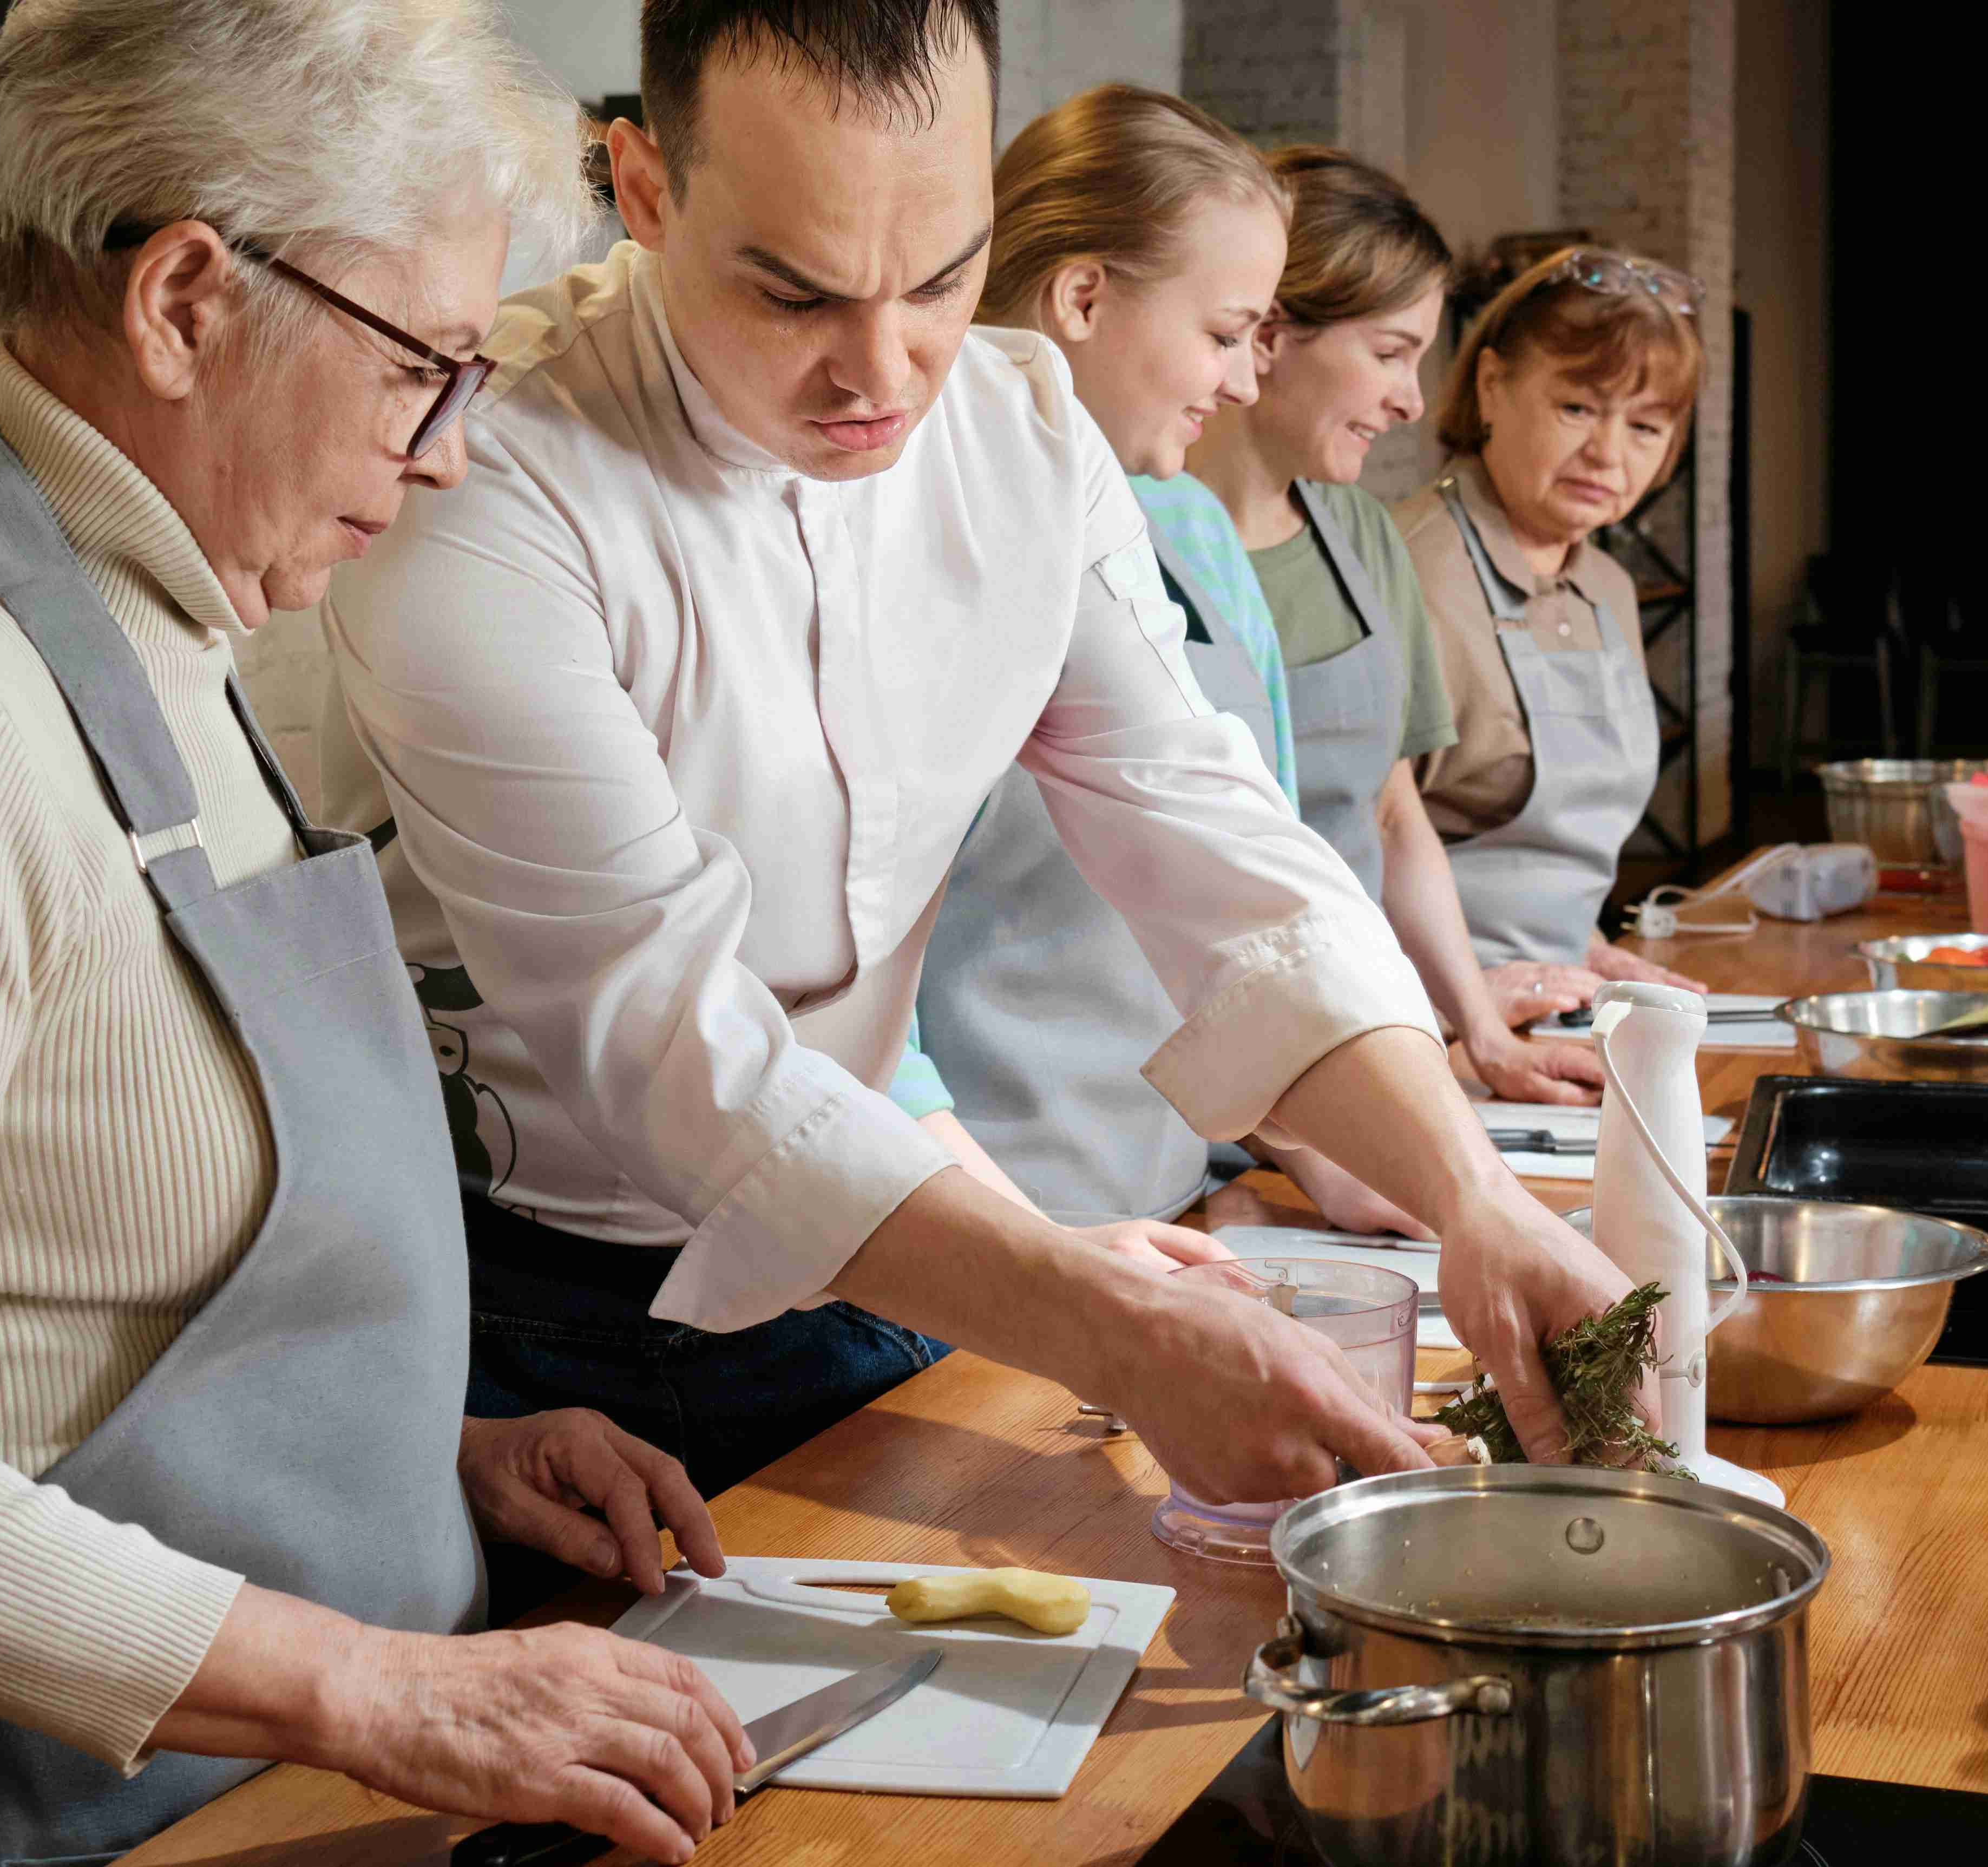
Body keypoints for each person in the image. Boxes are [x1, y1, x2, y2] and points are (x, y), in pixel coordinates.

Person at [317, 0, 1633, 1515]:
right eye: (792, 293)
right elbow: (668, 1037)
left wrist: (1465, 1193)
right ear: (645, 187)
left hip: (910, 1247)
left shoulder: (1020, 434)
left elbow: (1211, 837)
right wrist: (1108, 1327)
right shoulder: (488, 483)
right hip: (558, 1316)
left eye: (939, 278)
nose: (879, 371)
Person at [0, 5, 757, 1863]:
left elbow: (70, 1300)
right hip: (97, 1823)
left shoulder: (194, 618)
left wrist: (410, 1454)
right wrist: (371, 1684)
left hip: (313, 1780)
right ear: (185, 301)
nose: (443, 454)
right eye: (424, 363)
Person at [902, 83, 1403, 1234]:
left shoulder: (1190, 534)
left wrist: (1323, 1152)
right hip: (974, 1240)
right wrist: (1034, 1268)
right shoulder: (906, 542)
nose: (1241, 382)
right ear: (1083, 295)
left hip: (1170, 1209)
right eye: (1226, 333)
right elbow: (849, 1024)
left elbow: (1240, 893)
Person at [1183, 150, 1608, 1116]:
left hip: (1347, 1056)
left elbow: (1391, 812)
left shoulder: (1364, 539)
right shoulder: (1132, 542)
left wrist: (1483, 1034)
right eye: (1388, 353)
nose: (1414, 401)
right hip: (1185, 1076)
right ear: (1267, 335)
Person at [1395, 249, 1711, 991]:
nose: (1607, 454)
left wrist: (1583, 943)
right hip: (1413, 1013)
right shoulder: (1402, 571)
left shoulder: (1605, 586)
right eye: (1576, 408)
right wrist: (1468, 1004)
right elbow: (1336, 848)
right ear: (1492, 386)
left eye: (1645, 426)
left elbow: (1552, 849)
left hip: (1555, 989)